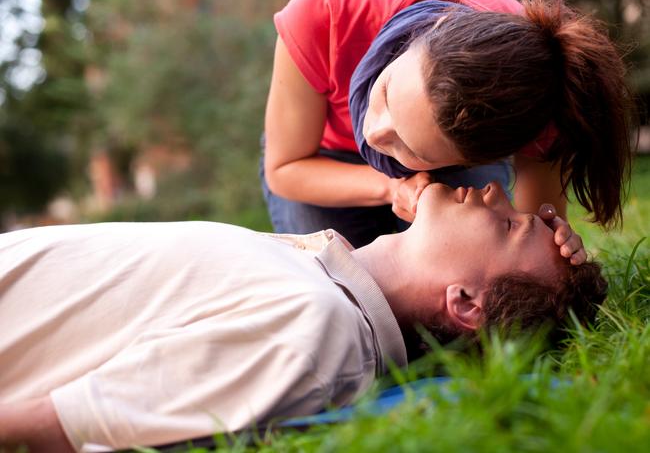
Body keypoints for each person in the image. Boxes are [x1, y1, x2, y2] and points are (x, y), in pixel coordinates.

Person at [0, 182, 607, 452]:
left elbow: (69, 425)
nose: (497, 194)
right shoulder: (316, 280)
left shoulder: (313, 326)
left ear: (466, 304)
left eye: (506, 226)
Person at [261, 0, 634, 256]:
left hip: (445, 165)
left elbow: (537, 226)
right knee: (337, 285)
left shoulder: (542, 98)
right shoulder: (327, 7)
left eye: (412, 148)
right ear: (426, 31)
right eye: (388, 92)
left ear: (480, 157)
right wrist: (390, 186)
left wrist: (549, 245)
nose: (374, 134)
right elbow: (285, 167)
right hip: (317, 157)